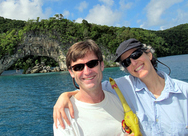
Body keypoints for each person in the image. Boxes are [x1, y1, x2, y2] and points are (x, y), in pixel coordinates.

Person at [53, 38, 188, 136]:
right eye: (127, 61)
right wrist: (65, 96)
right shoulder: (121, 87)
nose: (134, 62)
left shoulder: (185, 92)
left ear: (148, 54)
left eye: (135, 55)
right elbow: (90, 88)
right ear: (71, 72)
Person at [53, 39, 131, 136]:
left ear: (102, 65)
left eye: (92, 64)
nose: (87, 71)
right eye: (78, 67)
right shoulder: (65, 115)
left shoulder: (117, 98)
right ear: (71, 72)